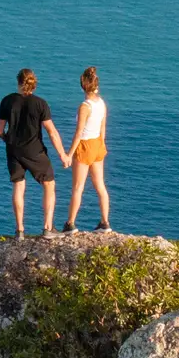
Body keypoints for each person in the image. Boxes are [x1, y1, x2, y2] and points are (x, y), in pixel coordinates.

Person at [0, 67, 70, 238]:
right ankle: (47, 228)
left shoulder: (7, 101)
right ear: (34, 85)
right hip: (34, 150)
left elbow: (0, 131)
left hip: (13, 149)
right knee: (49, 184)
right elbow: (51, 131)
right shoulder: (40, 103)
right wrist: (63, 155)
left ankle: (20, 231)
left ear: (18, 82)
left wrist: (9, 141)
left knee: (18, 185)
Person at [62, 66, 111, 233]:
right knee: (100, 186)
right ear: (96, 86)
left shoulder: (85, 106)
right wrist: (102, 144)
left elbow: (78, 133)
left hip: (85, 146)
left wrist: (69, 154)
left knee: (78, 187)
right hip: (98, 144)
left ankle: (70, 223)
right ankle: (105, 222)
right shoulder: (102, 103)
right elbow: (103, 127)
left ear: (83, 86)